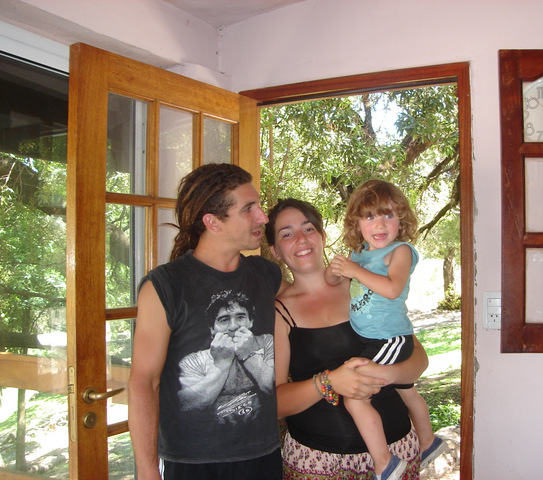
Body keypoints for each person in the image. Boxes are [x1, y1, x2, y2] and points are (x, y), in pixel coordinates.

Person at [128, 163, 284, 480]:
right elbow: (144, 382)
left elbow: (306, 301)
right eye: (249, 209)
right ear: (213, 222)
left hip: (264, 455)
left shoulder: (265, 274)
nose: (263, 217)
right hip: (193, 463)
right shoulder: (165, 286)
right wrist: (147, 470)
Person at [266, 198, 430, 480]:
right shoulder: (278, 312)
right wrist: (329, 382)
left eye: (308, 228)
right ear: (275, 251)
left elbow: (418, 358)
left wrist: (385, 374)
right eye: (287, 234)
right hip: (318, 463)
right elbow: (277, 403)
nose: (301, 239)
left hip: (397, 453)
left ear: (322, 236)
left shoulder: (362, 284)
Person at [325, 180, 445, 479]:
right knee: (407, 391)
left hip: (390, 338)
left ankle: (384, 462)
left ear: (401, 219)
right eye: (369, 216)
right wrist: (336, 270)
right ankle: (429, 442)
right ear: (356, 223)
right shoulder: (359, 254)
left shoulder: (400, 251)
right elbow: (332, 281)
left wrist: (354, 270)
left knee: (355, 396)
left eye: (388, 215)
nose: (379, 224)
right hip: (373, 338)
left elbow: (392, 289)